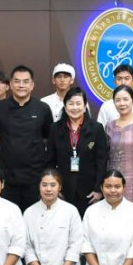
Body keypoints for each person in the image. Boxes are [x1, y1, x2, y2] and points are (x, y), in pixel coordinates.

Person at [0, 65, 53, 212]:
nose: (21, 85)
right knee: (8, 217)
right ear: (10, 84)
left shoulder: (42, 108)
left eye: (25, 81)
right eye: (17, 81)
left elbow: (47, 136)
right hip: (8, 175)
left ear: (32, 85)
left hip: (35, 175)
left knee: (34, 217)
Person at [46, 87, 108, 217]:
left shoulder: (96, 129)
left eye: (78, 103)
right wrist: (55, 187)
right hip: (63, 191)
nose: (75, 107)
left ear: (85, 106)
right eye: (71, 103)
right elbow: (50, 162)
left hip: (89, 192)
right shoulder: (54, 129)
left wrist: (98, 189)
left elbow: (101, 161)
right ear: (65, 105)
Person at [82, 170, 133, 265]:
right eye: (108, 186)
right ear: (102, 188)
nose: (113, 190)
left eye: (117, 186)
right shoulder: (91, 211)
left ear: (124, 188)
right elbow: (86, 245)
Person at [23, 168, 83, 265]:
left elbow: (76, 244)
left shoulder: (71, 211)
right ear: (39, 186)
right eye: (44, 185)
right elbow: (26, 246)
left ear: (60, 187)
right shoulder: (29, 213)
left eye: (53, 185)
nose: (48, 189)